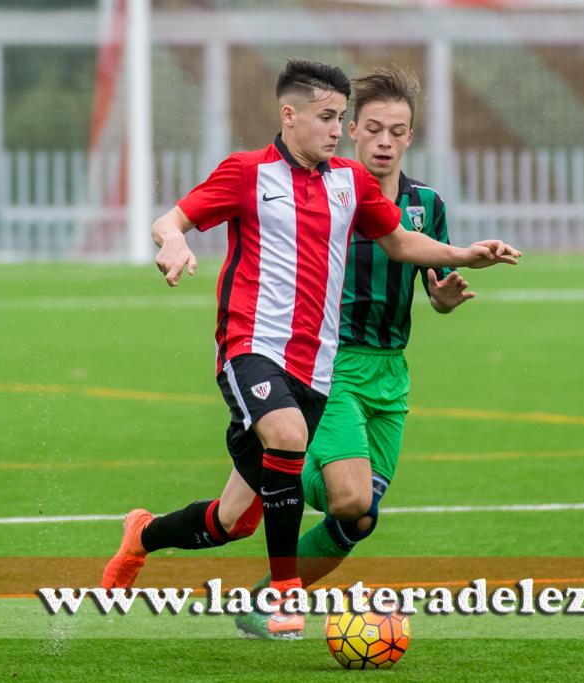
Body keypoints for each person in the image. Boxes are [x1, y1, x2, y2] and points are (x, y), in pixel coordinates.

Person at [100, 59, 520, 640]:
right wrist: (172, 243)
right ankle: (285, 593)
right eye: (334, 119)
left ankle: (141, 536)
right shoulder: (248, 173)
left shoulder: (349, 183)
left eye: (341, 118)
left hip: (320, 370)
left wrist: (464, 256)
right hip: (254, 349)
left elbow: (399, 240)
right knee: (302, 450)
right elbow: (172, 219)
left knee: (232, 522)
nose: (340, 130)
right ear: (289, 115)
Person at [235, 67, 472, 639]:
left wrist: (444, 296)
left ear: (410, 136)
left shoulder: (426, 204)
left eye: (398, 130)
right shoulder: (332, 193)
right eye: (374, 129)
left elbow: (433, 287)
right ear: (353, 131)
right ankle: (282, 471)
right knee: (350, 494)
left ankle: (262, 602)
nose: (385, 141)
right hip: (331, 363)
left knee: (359, 518)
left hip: (392, 374)